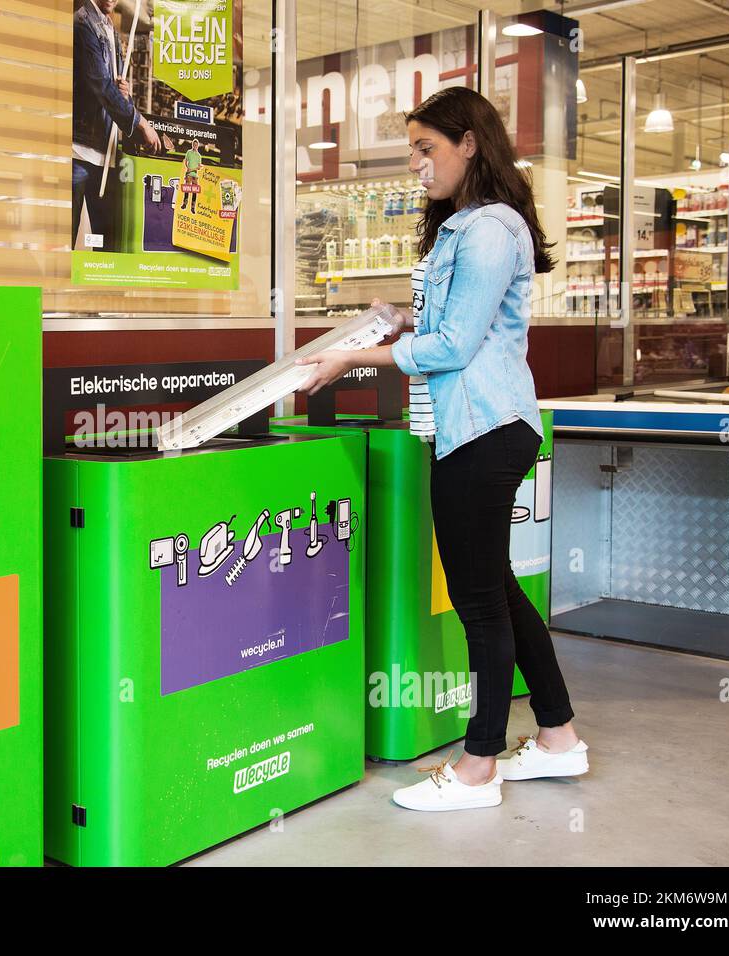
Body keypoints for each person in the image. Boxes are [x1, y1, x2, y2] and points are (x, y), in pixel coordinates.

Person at [295, 85, 588, 813]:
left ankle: (478, 766)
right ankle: (558, 738)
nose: (418, 166)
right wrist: (395, 318)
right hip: (479, 426)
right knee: (501, 592)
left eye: (427, 149)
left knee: (479, 601)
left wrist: (355, 360)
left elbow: (455, 345)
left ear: (470, 143)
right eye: (412, 151)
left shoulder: (488, 230)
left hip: (482, 429)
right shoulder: (471, 226)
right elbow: (457, 324)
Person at [72, 0, 166, 252]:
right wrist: (141, 123)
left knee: (109, 244)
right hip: (80, 150)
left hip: (105, 151)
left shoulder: (109, 27)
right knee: (66, 239)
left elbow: (112, 86)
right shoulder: (83, 23)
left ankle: (105, 291)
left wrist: (125, 94)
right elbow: (100, 85)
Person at [181, 139, 203, 212]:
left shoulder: (199, 156)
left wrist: (196, 168)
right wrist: (188, 168)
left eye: (196, 145)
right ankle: (184, 204)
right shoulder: (189, 152)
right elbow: (186, 162)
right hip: (188, 174)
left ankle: (193, 207)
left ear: (198, 146)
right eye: (194, 144)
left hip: (195, 176)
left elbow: (199, 167)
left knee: (194, 191)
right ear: (192, 145)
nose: (195, 146)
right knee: (187, 189)